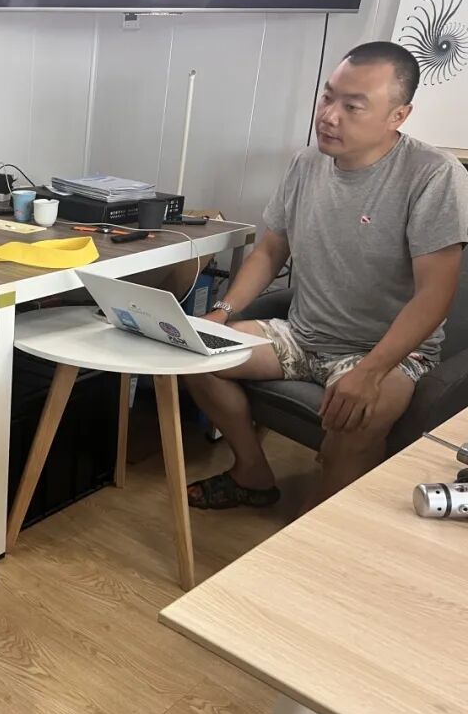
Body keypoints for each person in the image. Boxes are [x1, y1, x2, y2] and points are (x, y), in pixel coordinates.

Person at [184, 41, 468, 512]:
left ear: (398, 115)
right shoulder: (306, 163)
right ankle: (252, 473)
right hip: (302, 335)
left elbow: (435, 295)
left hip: (386, 352)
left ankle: (319, 528)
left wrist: (370, 372)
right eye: (328, 97)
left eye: (353, 106)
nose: (330, 116)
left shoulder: (433, 175)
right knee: (192, 354)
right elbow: (271, 250)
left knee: (358, 422)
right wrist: (221, 313)